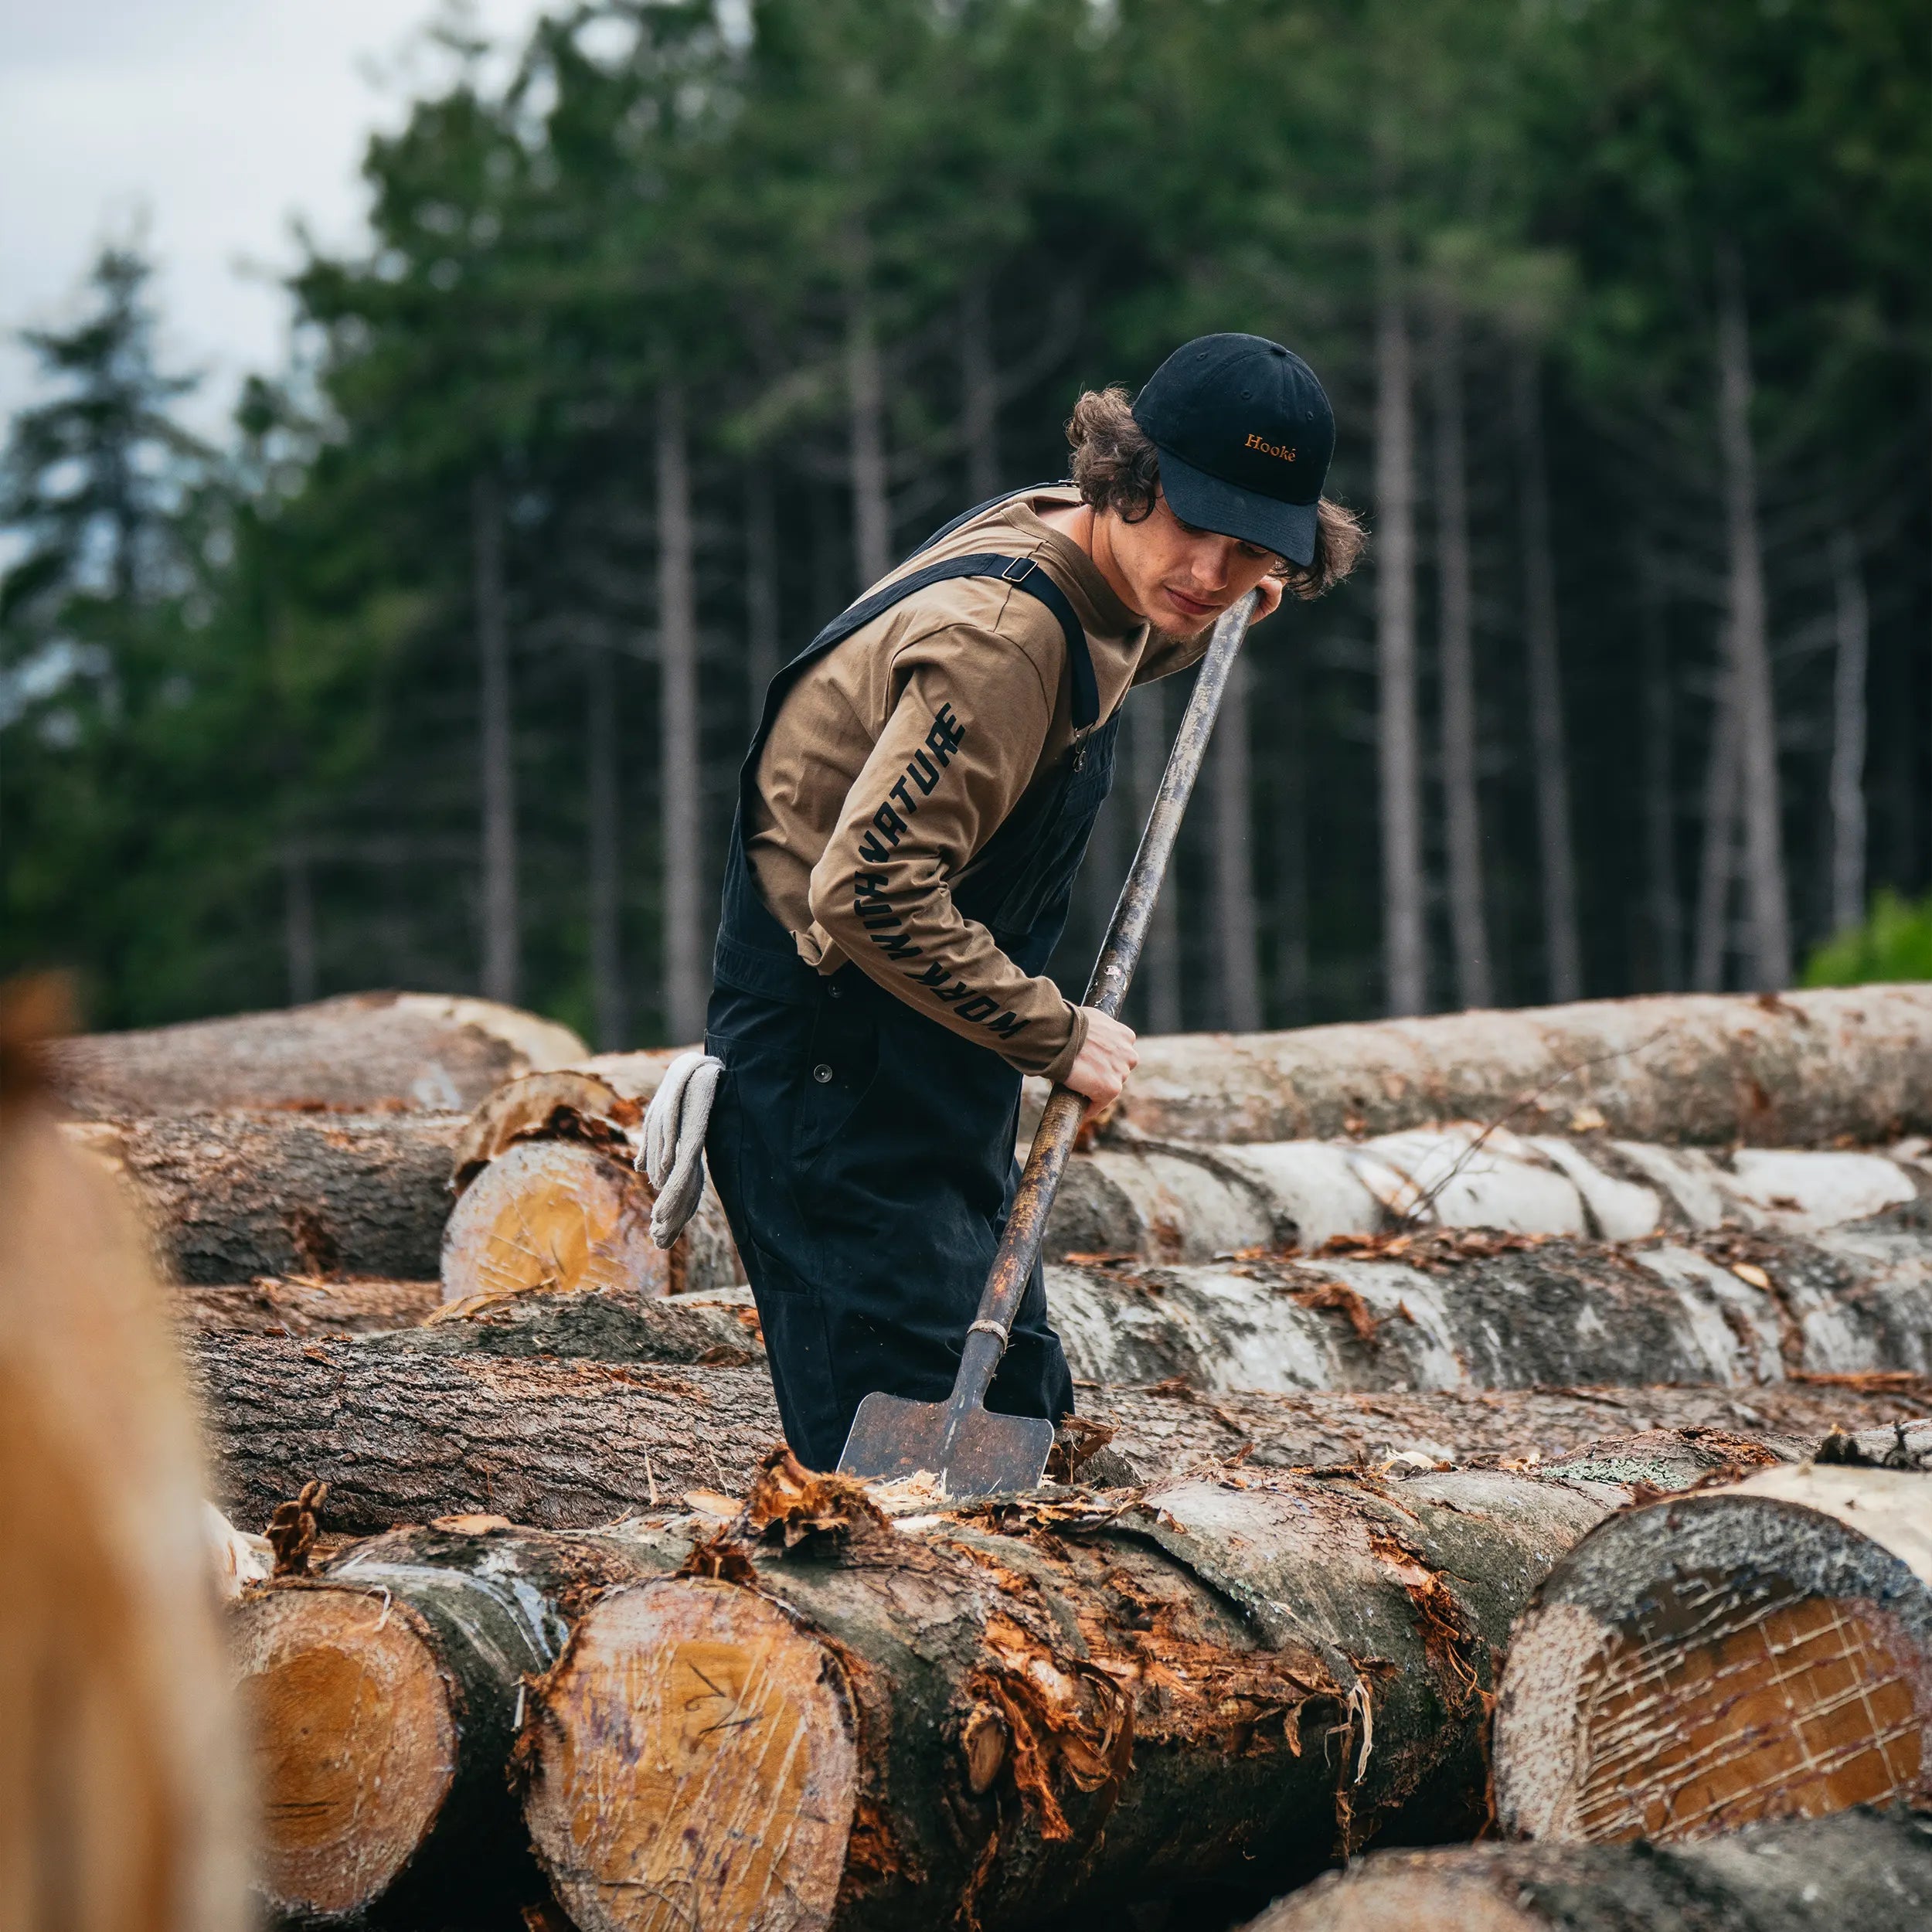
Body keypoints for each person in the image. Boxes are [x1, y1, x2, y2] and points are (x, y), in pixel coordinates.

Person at [702, 332, 1363, 1469]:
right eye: (1195, 524)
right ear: (1131, 475)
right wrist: (1056, 1035)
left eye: (1253, 550)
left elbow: (1105, 646)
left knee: (1023, 1414)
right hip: (834, 1081)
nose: (1212, 571)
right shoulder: (1001, 641)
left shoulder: (1072, 540)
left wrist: (1193, 611)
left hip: (919, 1062)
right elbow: (867, 891)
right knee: (896, 1508)